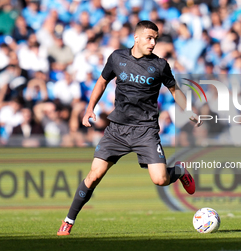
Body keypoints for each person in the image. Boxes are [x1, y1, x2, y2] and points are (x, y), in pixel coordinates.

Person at [57, 20, 201, 236]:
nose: (153, 43)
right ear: (136, 38)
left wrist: (188, 109)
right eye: (149, 38)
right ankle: (68, 221)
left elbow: (174, 89)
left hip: (145, 130)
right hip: (117, 129)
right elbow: (102, 82)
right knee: (94, 175)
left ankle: (178, 170)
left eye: (155, 39)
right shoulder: (117, 57)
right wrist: (89, 109)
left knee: (160, 179)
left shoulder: (160, 65)